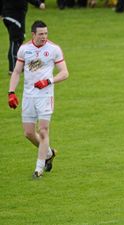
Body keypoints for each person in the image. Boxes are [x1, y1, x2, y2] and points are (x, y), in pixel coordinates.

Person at [8, 20, 69, 179]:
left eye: (46, 33)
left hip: (45, 96)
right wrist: (11, 92)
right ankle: (49, 153)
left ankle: (38, 169)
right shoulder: (24, 49)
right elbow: (16, 72)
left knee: (43, 130)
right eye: (41, 34)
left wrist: (48, 81)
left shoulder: (54, 49)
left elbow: (64, 73)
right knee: (28, 133)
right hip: (28, 96)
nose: (44, 37)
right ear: (33, 34)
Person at [0, 0, 45, 75]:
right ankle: (13, 68)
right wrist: (38, 3)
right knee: (15, 41)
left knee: (19, 40)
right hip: (14, 16)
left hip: (10, 16)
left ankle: (19, 66)